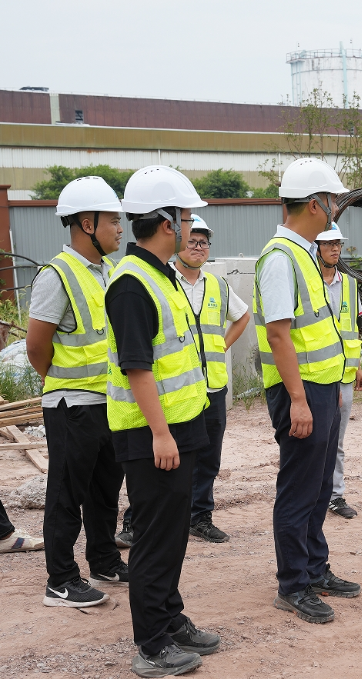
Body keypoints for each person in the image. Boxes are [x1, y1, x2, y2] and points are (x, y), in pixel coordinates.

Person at [109, 165, 222, 677]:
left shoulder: (162, 275)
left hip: (181, 427)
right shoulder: (132, 284)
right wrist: (160, 432)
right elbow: (136, 367)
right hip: (152, 434)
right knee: (155, 539)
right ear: (165, 221)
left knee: (173, 535)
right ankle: (152, 644)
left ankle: (170, 619)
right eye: (186, 218)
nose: (190, 227)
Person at [254, 158, 360, 625]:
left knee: (318, 487)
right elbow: (279, 335)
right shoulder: (281, 257)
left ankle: (315, 569)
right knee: (299, 490)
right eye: (332, 200)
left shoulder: (304, 254)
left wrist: (330, 388)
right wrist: (299, 400)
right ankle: (293, 584)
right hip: (300, 393)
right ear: (315, 204)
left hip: (321, 389)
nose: (336, 208)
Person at [25, 176, 127, 609]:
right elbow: (36, 346)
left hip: (108, 401)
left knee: (105, 489)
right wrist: (62, 380)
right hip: (72, 404)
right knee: (67, 491)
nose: (120, 228)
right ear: (87, 224)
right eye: (113, 220)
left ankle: (103, 560)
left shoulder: (109, 271)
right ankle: (61, 580)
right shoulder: (57, 275)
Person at [172, 214, 250, 542]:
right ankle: (147, 519)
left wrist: (221, 345)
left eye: (203, 242)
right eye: (191, 241)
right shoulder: (164, 281)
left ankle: (200, 517)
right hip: (176, 389)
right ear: (177, 243)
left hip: (213, 386)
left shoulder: (217, 285)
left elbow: (242, 316)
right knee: (168, 457)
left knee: (208, 458)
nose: (198, 247)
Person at [315, 227, 362, 520]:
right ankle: (312, 492)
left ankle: (335, 496)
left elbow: (352, 329)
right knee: (315, 440)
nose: (335, 249)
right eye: (329, 244)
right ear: (316, 247)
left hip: (344, 375)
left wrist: (357, 367)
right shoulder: (307, 284)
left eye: (337, 244)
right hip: (316, 374)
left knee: (337, 441)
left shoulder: (349, 284)